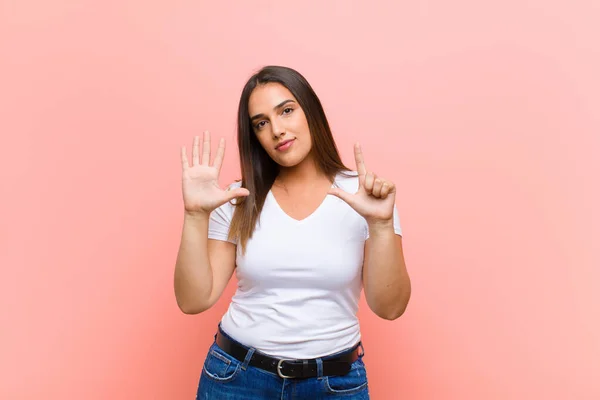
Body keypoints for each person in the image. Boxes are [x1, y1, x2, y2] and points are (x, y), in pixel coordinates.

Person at [174, 65, 411, 399]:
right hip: (237, 380)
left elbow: (390, 308)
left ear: (310, 111)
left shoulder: (364, 198)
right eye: (261, 123)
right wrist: (195, 215)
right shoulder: (240, 199)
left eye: (286, 111)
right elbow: (193, 300)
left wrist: (382, 225)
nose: (277, 130)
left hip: (334, 384)